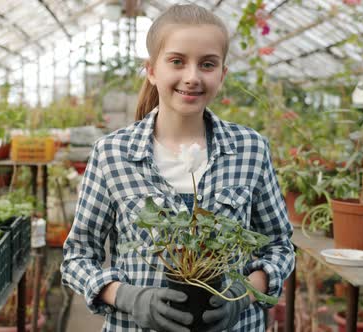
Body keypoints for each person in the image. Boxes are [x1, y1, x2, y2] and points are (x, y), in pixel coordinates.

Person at [61, 4, 294, 332]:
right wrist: (128, 297)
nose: (192, 77)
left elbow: (279, 246)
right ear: (152, 70)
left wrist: (244, 295)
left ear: (222, 74)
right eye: (177, 61)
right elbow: (77, 257)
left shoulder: (250, 149)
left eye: (208, 64)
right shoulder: (112, 154)